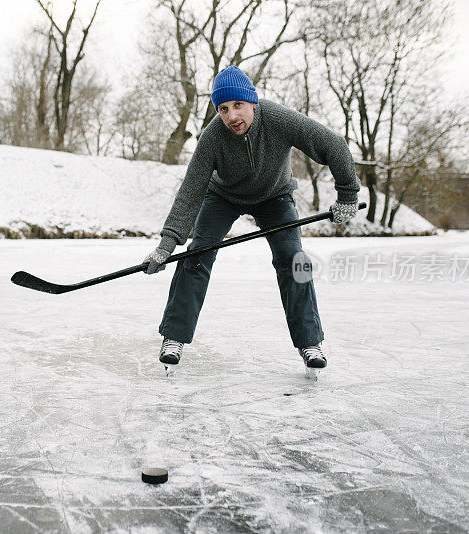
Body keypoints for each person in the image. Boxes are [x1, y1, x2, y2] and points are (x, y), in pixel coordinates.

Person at [143, 65, 360, 376]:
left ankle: (310, 343)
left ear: (253, 103)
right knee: (198, 253)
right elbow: (191, 191)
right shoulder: (212, 136)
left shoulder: (277, 119)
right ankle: (173, 338)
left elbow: (333, 144)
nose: (232, 117)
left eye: (238, 106)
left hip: (275, 196)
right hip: (224, 197)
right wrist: (166, 244)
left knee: (293, 258)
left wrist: (348, 195)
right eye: (223, 109)